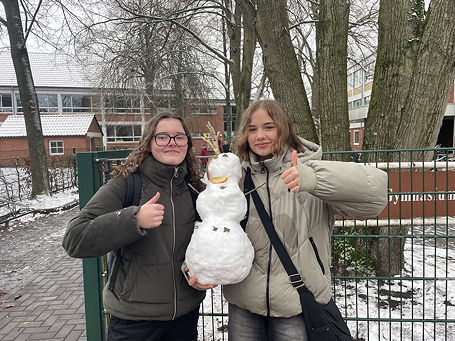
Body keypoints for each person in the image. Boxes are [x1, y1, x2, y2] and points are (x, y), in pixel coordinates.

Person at [223, 100, 388, 341]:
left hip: (297, 301)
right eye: (252, 129)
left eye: (269, 127)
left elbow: (376, 197)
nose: (260, 135)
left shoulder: (310, 170)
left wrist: (314, 179)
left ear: (284, 129)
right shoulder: (235, 177)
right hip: (244, 300)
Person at [62, 112, 215, 341]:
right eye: (162, 137)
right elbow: (75, 238)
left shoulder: (193, 188)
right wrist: (133, 220)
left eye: (180, 137)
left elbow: (221, 233)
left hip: (185, 316)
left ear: (187, 144)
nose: (172, 143)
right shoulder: (127, 183)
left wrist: (204, 270)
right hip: (134, 321)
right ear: (149, 142)